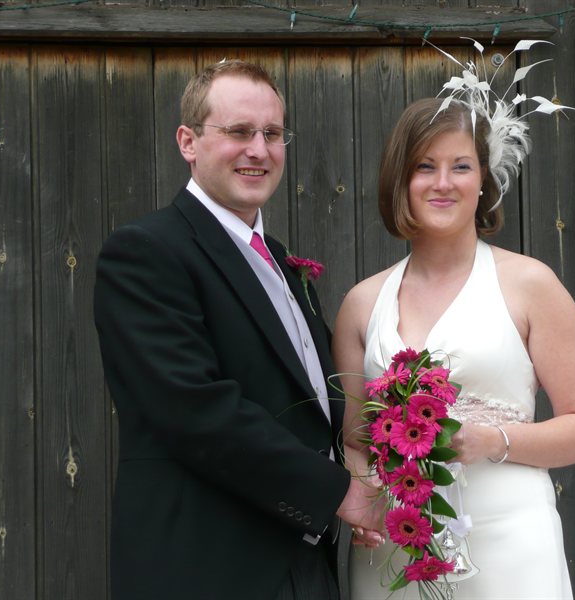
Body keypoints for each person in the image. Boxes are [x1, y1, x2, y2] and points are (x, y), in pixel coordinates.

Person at [94, 59, 383, 600]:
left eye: (272, 134)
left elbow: (313, 403)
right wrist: (338, 493)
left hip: (302, 558)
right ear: (188, 141)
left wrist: (381, 461)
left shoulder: (278, 260)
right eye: (237, 132)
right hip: (205, 564)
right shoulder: (147, 253)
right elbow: (192, 409)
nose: (258, 149)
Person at [333, 96, 575, 599]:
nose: (443, 183)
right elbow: (356, 441)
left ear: (483, 179)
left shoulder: (530, 285)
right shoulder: (362, 304)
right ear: (402, 180)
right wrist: (362, 494)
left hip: (510, 540)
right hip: (397, 550)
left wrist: (492, 440)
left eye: (460, 166)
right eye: (425, 167)